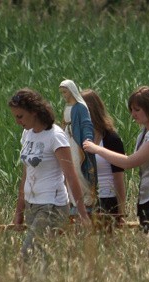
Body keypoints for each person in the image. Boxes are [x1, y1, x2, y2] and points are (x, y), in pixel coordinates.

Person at [83, 86, 149, 236]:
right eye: (131, 110)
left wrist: (96, 149)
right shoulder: (144, 133)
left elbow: (129, 162)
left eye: (137, 110)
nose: (133, 115)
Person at [10, 88, 90, 258]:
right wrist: (19, 212)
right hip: (32, 204)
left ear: (34, 112)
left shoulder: (55, 136)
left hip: (51, 206)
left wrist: (82, 213)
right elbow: (26, 174)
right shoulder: (27, 134)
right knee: (40, 261)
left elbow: (70, 175)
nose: (17, 121)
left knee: (27, 256)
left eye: (20, 116)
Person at [81, 89, 126, 225]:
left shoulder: (111, 139)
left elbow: (119, 178)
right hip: (85, 201)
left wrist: (121, 211)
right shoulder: (78, 139)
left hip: (108, 200)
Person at [59, 79, 97, 212]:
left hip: (76, 140)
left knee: (77, 166)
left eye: (65, 92)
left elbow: (86, 124)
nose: (63, 95)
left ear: (71, 91)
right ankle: (73, 197)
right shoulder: (67, 107)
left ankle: (85, 195)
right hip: (67, 139)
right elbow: (64, 124)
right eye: (62, 92)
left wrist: (88, 139)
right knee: (68, 168)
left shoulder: (80, 107)